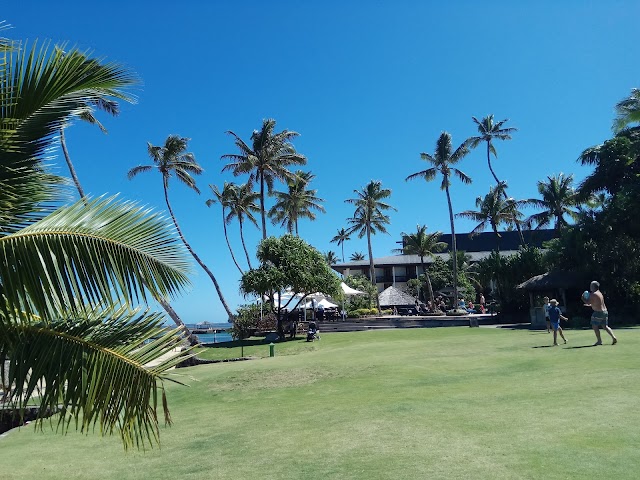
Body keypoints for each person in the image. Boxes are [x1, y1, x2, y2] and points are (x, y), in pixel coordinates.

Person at [583, 280, 617, 346]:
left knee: (594, 326)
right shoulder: (599, 293)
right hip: (605, 312)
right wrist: (590, 305)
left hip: (598, 313)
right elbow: (597, 303)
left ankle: (599, 341)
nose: (590, 287)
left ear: (593, 287)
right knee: (605, 326)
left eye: (591, 285)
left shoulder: (593, 294)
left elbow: (587, 301)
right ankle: (613, 337)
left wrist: (582, 298)